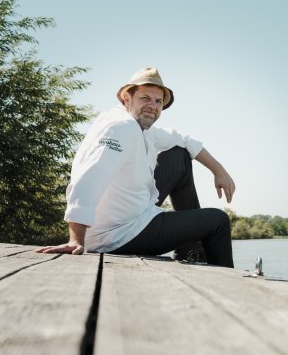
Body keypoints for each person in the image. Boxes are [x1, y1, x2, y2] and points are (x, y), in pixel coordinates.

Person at [36, 66, 235, 267]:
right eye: (145, 98)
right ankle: (227, 280)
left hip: (134, 216)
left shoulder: (139, 126)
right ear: (127, 99)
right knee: (218, 221)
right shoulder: (122, 128)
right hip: (120, 235)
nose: (152, 106)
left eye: (158, 101)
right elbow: (90, 177)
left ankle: (190, 250)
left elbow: (183, 139)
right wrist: (76, 239)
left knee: (179, 156)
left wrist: (219, 171)